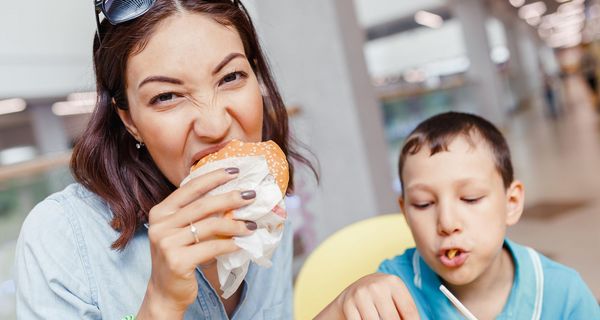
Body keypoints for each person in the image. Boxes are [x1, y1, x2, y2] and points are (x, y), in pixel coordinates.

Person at [15, 0, 315, 319]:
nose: (214, 126)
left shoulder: (264, 205)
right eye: (166, 97)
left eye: (230, 77)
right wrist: (161, 304)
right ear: (130, 121)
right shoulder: (62, 238)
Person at [318, 112, 600, 319]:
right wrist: (343, 304)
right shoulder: (394, 288)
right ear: (404, 212)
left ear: (511, 202)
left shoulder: (562, 294)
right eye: (424, 204)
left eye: (470, 198)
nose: (447, 224)